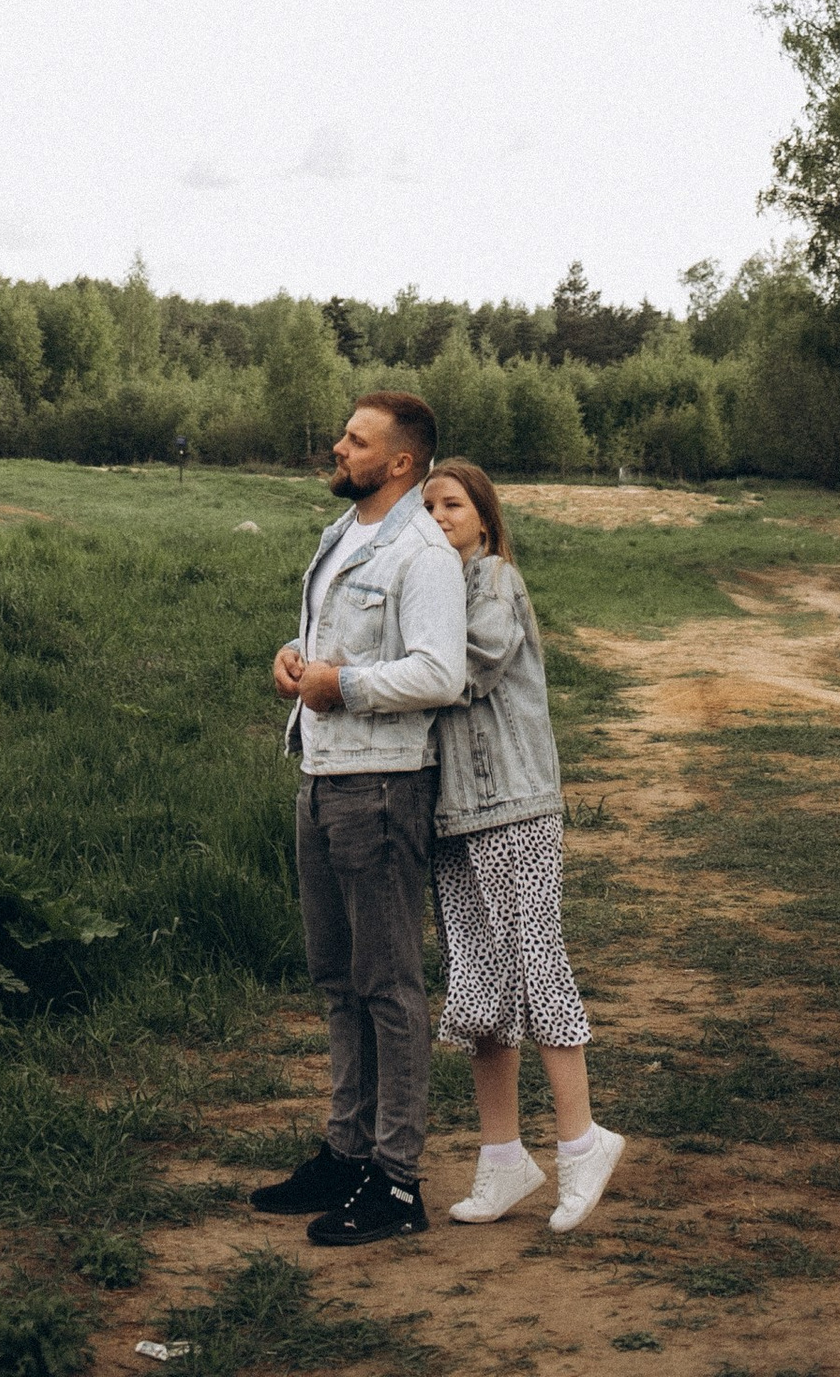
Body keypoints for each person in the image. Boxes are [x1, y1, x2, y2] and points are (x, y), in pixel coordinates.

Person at [249, 390, 467, 1246]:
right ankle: (346, 1154)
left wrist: (342, 685)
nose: (338, 447)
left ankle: (397, 1182)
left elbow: (440, 673)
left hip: (381, 790)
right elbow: (334, 643)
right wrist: (294, 660)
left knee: (388, 987)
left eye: (356, 440)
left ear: (400, 462)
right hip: (322, 775)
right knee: (337, 980)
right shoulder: (343, 534)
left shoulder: (423, 553)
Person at [420, 458, 625, 1234]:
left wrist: (367, 675)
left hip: (514, 806)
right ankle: (504, 1160)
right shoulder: (434, 591)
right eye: (427, 509)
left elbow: (462, 672)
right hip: (454, 818)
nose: (438, 518)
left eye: (451, 504)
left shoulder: (495, 582)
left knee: (537, 968)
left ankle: (583, 1143)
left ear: (484, 516)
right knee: (478, 987)